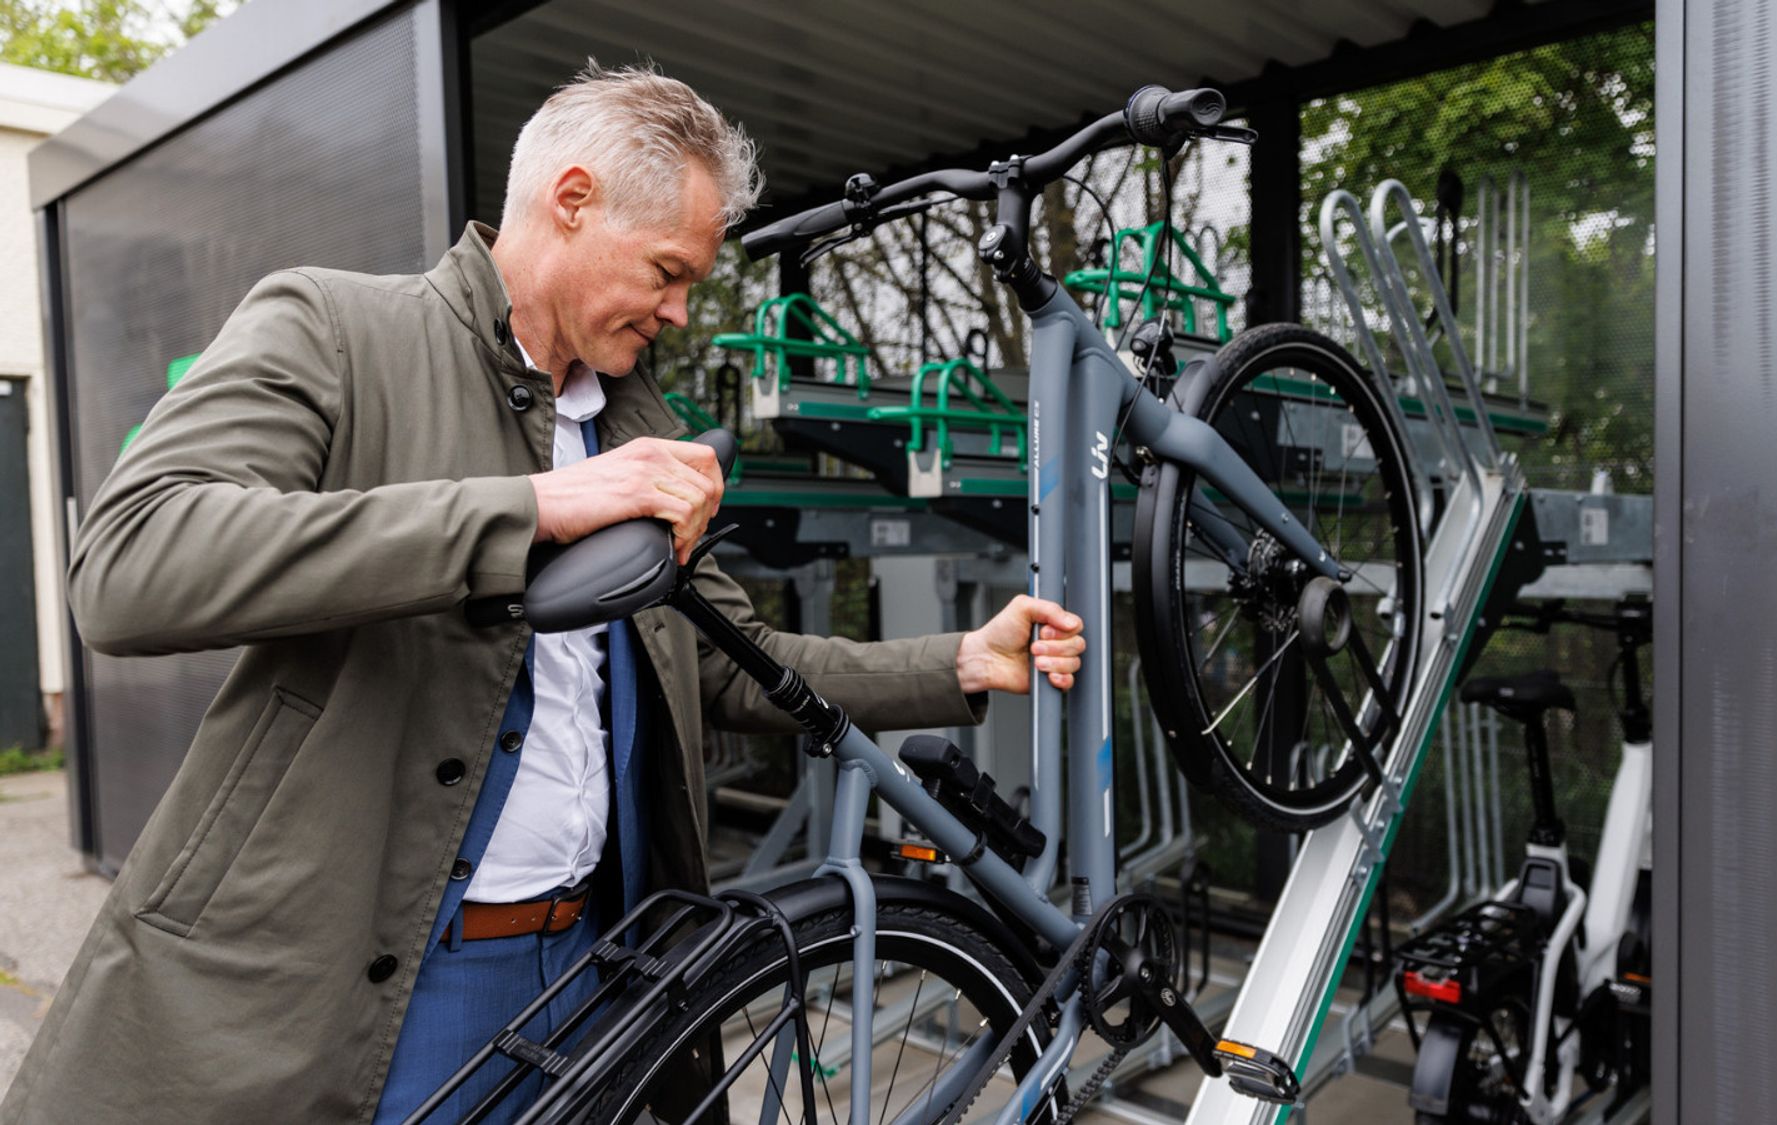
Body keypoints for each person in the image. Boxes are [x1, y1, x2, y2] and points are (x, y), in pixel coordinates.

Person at [2, 64, 1085, 1123]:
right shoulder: (333, 328)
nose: (677, 310)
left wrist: (957, 662)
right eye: (666, 271)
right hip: (370, 981)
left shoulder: (638, 426)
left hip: (589, 967)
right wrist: (530, 507)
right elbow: (130, 564)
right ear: (572, 202)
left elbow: (722, 657)